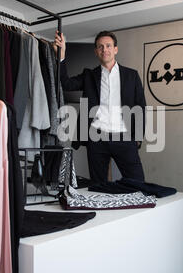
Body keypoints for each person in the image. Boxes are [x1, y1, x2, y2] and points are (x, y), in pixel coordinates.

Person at [53, 30, 146, 183]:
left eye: (108, 46)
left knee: (137, 182)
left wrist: (138, 136)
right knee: (98, 184)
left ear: (115, 49)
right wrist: (61, 55)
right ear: (96, 51)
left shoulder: (131, 75)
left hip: (124, 136)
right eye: (100, 47)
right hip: (96, 139)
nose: (105, 50)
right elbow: (66, 84)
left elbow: (141, 106)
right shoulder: (89, 75)